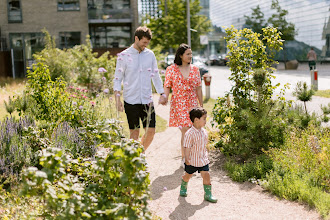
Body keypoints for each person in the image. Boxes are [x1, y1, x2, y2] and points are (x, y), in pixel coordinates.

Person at [113, 26, 167, 152]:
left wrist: (162, 93)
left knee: (151, 131)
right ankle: (136, 159)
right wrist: (117, 99)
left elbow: (156, 75)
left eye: (147, 43)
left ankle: (140, 154)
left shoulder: (150, 55)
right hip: (130, 100)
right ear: (136, 38)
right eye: (143, 42)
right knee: (134, 134)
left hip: (147, 100)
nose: (145, 46)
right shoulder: (123, 56)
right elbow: (117, 78)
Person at [162, 44, 203, 167]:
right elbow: (167, 85)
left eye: (191, 54)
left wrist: (201, 105)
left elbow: (199, 88)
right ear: (181, 55)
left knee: (194, 131)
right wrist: (165, 97)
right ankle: (185, 159)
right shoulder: (171, 69)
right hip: (179, 103)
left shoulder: (195, 69)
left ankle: (193, 157)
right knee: (185, 131)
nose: (190, 56)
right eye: (188, 54)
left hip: (192, 103)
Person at [179, 107, 217, 203]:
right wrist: (187, 159)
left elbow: (204, 145)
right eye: (204, 118)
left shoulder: (204, 131)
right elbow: (187, 147)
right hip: (192, 160)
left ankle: (208, 194)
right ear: (196, 120)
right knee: (188, 175)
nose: (205, 120)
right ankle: (183, 186)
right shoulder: (189, 133)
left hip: (202, 159)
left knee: (206, 175)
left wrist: (206, 154)